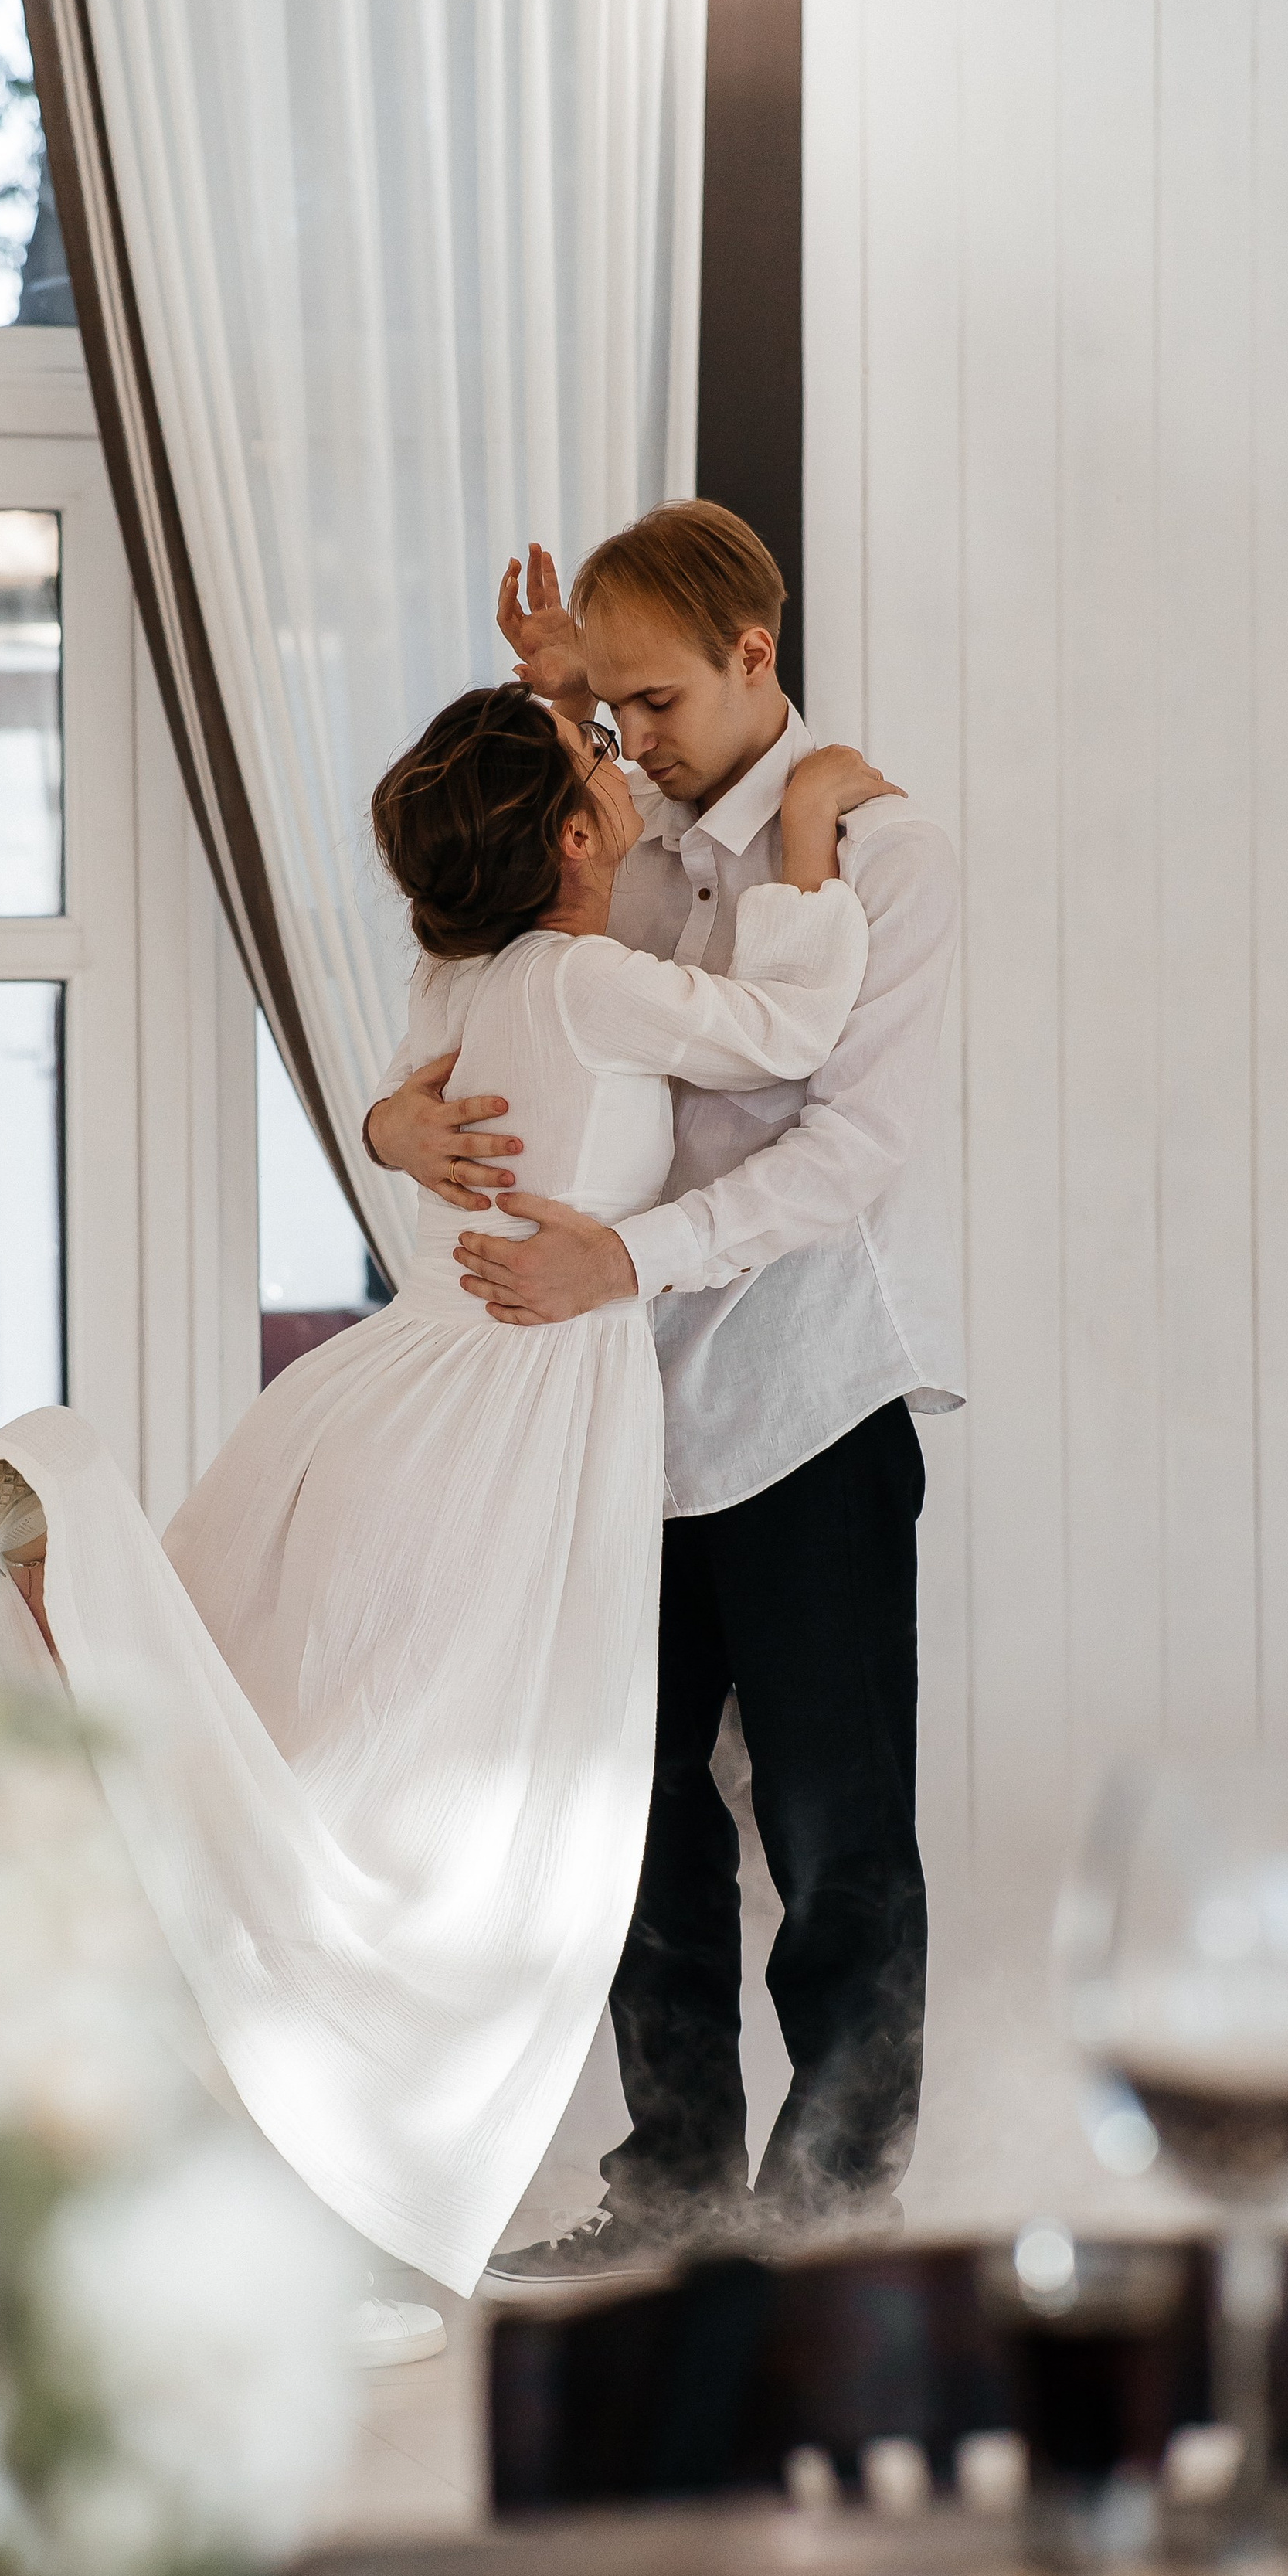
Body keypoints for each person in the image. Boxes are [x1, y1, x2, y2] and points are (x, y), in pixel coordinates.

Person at [0, 685, 889, 2353]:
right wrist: (803, 840)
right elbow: (784, 1030)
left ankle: (283, 2165)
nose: (620, 761)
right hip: (500, 1412)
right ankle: (331, 2185)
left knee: (321, 1767)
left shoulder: (469, 968)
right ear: (574, 840)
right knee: (442, 1835)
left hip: (405, 1383)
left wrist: (378, 1121)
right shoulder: (581, 980)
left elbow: (410, 1091)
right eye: (593, 759)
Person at [362, 503, 963, 2282]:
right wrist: (393, 1123)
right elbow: (456, 1007)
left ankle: (835, 2217)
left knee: (835, 1827)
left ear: (752, 658)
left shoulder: (881, 852)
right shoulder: (597, 830)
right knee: (632, 1822)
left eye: (646, 701)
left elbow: (849, 1151)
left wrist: (628, 1260)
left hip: (797, 1391)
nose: (621, 738)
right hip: (593, 1422)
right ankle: (671, 2193)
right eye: (598, 712)